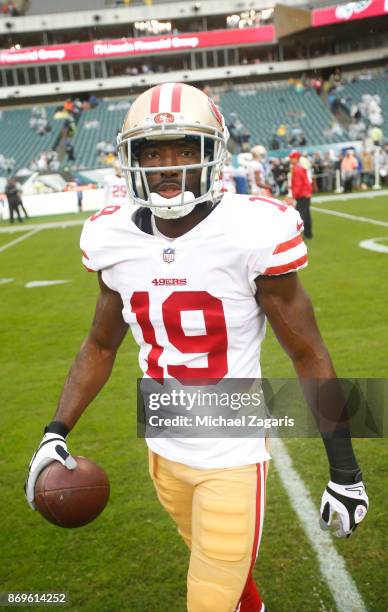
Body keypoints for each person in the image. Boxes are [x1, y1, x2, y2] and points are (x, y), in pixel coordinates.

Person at [25, 83, 368, 612]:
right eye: (152, 151)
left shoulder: (251, 230)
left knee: (207, 601)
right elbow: (99, 345)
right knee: (229, 591)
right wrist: (55, 431)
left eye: (186, 149)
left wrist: (345, 470)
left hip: (232, 453)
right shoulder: (111, 238)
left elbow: (308, 353)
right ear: (129, 160)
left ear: (213, 154)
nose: (168, 165)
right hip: (162, 445)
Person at [289, 150, 313, 239]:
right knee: (306, 214)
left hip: (302, 194)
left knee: (300, 215)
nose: (291, 160)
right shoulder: (299, 168)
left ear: (297, 159)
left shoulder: (297, 169)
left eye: (292, 158)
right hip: (305, 193)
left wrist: (293, 196)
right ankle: (308, 234)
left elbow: (298, 184)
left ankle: (298, 235)